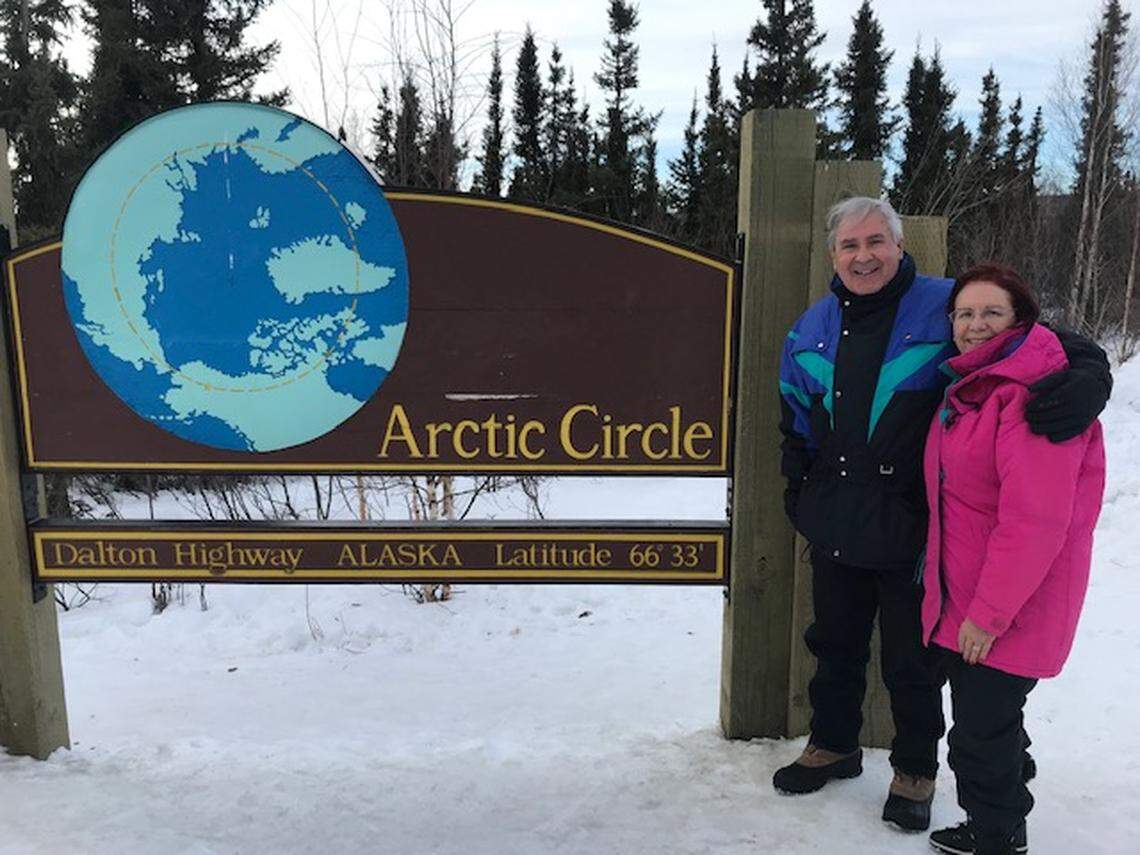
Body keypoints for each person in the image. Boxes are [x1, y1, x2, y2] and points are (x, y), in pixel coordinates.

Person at [774, 197, 1111, 832]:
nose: (864, 255)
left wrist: (1091, 372)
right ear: (833, 255)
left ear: (899, 246)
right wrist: (802, 497)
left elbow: (1033, 339)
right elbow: (794, 420)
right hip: (837, 520)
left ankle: (914, 769)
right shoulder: (808, 328)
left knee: (913, 662)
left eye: (877, 241)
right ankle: (834, 742)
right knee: (834, 644)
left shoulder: (948, 303)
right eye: (850, 245)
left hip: (918, 529)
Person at [922, 264, 1105, 855]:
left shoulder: (1031, 398)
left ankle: (997, 835)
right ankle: (1005, 794)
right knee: (991, 718)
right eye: (965, 314)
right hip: (976, 594)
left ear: (1021, 319)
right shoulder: (980, 385)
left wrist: (989, 614)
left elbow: (1035, 521)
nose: (975, 326)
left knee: (978, 730)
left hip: (1008, 605)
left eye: (991, 313)